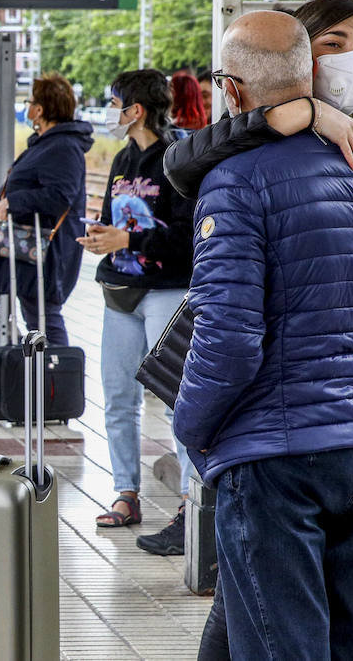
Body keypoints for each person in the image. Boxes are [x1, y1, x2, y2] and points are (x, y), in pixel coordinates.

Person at [167, 0, 353, 661]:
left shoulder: (239, 179)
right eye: (336, 44)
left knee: (283, 641)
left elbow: (229, 336)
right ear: (304, 60)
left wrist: (192, 426)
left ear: (230, 89)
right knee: (344, 636)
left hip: (274, 453)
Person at [75, 70, 197, 554]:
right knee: (117, 398)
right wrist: (103, 238)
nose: (109, 110)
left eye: (114, 102)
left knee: (177, 399)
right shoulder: (124, 158)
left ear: (136, 109)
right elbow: (115, 217)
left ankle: (192, 498)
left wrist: (129, 239)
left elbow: (189, 237)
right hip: (120, 291)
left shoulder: (177, 159)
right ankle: (126, 491)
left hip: (166, 290)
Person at [0, 72, 91, 346]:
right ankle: (44, 380)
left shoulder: (63, 146)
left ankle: (58, 377)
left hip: (48, 251)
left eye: (31, 101)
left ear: (41, 109)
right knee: (36, 316)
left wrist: (13, 202)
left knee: (45, 318)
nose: (27, 107)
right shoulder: (50, 142)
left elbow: (60, 195)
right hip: (32, 250)